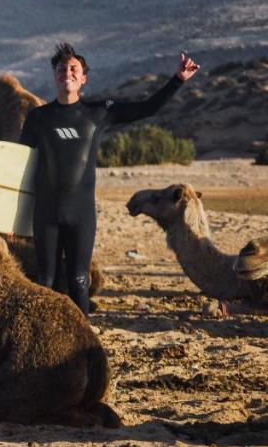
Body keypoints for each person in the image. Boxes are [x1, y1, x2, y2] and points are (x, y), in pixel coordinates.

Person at [20, 43, 199, 314]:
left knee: (79, 280)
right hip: (45, 212)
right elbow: (20, 164)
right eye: (61, 69)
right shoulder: (38, 118)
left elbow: (148, 107)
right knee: (46, 281)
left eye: (73, 68)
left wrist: (178, 80)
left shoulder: (98, 112)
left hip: (81, 214)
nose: (66, 72)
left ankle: (81, 343)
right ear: (54, 75)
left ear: (83, 78)